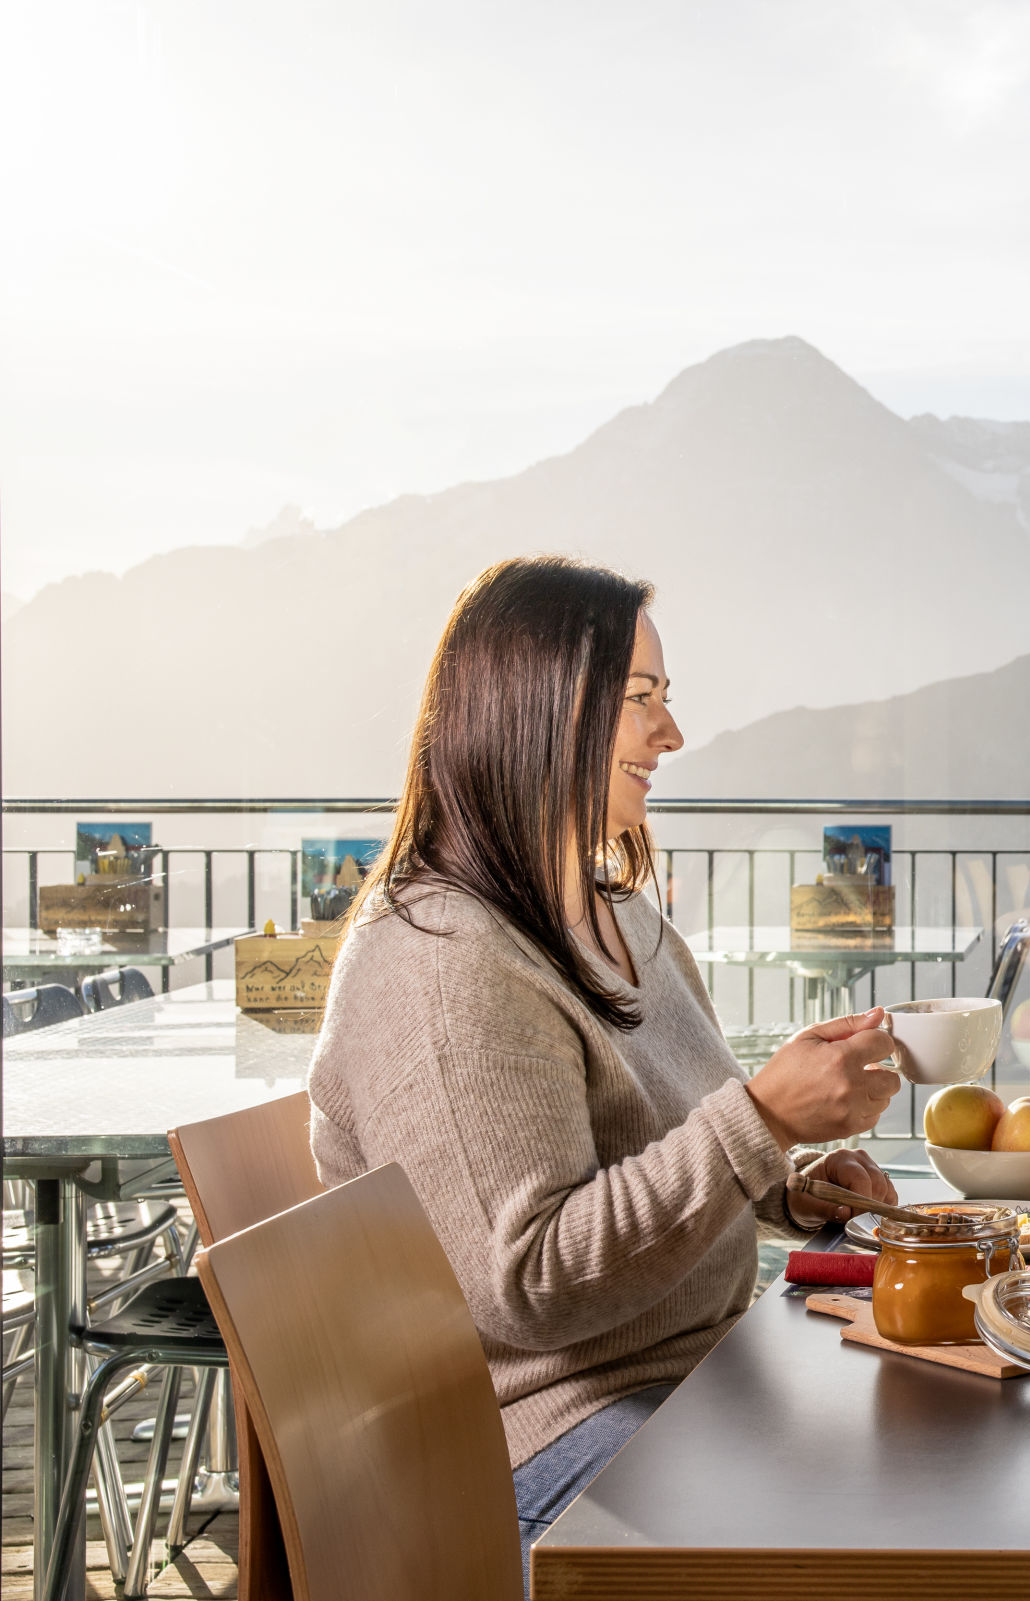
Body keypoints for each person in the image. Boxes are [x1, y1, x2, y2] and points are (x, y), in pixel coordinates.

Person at [308, 556, 903, 1575]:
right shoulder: (446, 959)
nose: (671, 733)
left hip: (688, 1378)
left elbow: (666, 1140)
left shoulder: (616, 915)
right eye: (639, 699)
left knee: (933, 1454)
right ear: (539, 710)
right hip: (536, 1446)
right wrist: (759, 1123)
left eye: (665, 697)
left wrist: (788, 1184)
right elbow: (530, 1280)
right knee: (896, 1523)